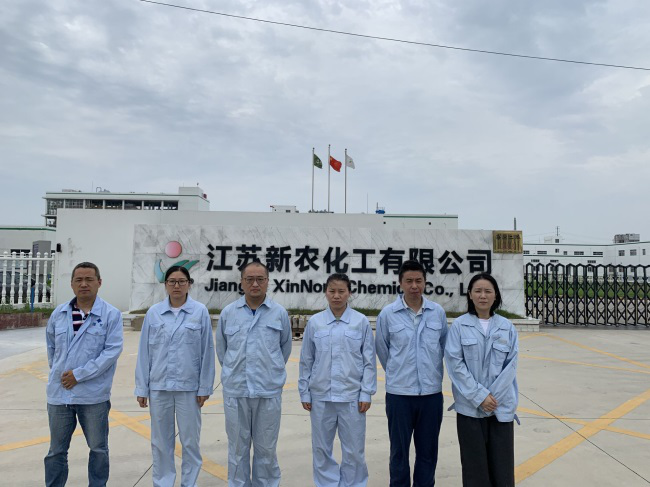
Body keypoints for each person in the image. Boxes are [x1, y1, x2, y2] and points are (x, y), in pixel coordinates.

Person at [135, 265, 215, 487]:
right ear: (165, 285)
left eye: (181, 281)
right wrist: (142, 388)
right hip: (159, 387)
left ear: (189, 284)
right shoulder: (154, 313)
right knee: (161, 442)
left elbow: (207, 351)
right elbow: (144, 352)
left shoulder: (199, 312)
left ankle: (189, 483)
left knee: (190, 441)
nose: (176, 286)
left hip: (189, 388)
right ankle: (163, 483)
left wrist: (204, 387)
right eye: (172, 281)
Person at [44, 262, 124, 487]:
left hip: (93, 396)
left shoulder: (111, 315)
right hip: (60, 395)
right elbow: (52, 348)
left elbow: (111, 352)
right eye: (78, 280)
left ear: (99, 282)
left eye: (89, 279)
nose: (84, 284)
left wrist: (78, 375)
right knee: (56, 451)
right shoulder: (59, 314)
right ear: (71, 284)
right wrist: (61, 374)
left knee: (98, 449)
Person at [216, 261, 292, 487]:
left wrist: (269, 372)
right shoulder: (229, 313)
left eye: (260, 279)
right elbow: (222, 351)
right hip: (236, 390)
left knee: (266, 448)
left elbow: (284, 349)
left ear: (268, 282)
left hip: (268, 391)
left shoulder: (279, 313)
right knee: (237, 448)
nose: (255, 284)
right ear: (242, 282)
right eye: (249, 279)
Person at [299, 273, 377, 487]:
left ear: (349, 293)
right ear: (325, 292)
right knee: (321, 449)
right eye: (332, 291)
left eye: (341, 291)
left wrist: (366, 392)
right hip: (321, 397)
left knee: (354, 450)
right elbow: (306, 360)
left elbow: (369, 361)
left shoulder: (360, 322)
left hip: (352, 397)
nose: (336, 296)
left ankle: (354, 484)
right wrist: (305, 392)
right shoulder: (315, 323)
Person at [375, 260, 447, 487]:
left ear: (425, 282)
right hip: (399, 395)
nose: (414, 286)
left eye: (418, 281)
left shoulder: (437, 312)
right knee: (399, 452)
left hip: (431, 395)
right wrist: (398, 373)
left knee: (428, 452)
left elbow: (443, 347)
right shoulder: (388, 314)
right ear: (400, 283)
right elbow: (383, 350)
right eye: (409, 281)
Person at [444, 273, 518, 487]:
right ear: (470, 295)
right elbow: (455, 365)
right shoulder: (459, 326)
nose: (482, 296)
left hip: (500, 407)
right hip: (469, 408)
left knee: (502, 470)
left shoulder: (507, 327)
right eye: (477, 291)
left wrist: (491, 398)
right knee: (474, 469)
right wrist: (480, 396)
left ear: (496, 295)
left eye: (488, 291)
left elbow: (510, 367)